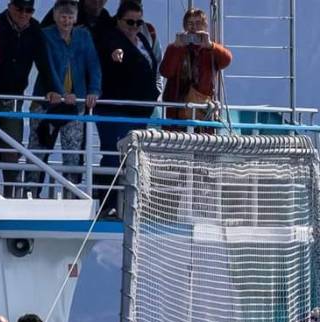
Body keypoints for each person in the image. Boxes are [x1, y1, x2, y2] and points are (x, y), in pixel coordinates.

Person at [95, 0, 161, 214]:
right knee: (114, 154)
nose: (134, 26)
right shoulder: (111, 37)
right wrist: (115, 54)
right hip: (116, 108)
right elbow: (110, 49)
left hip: (140, 112)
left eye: (138, 22)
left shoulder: (142, 38)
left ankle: (129, 204)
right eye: (129, 22)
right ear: (119, 20)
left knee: (133, 158)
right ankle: (106, 202)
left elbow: (153, 66)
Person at [29, 0, 100, 197]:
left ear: (76, 18)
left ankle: (71, 197)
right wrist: (59, 93)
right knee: (37, 152)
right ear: (55, 16)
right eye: (62, 16)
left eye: (70, 17)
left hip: (74, 107)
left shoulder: (83, 36)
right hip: (46, 104)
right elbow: (47, 66)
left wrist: (93, 90)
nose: (66, 21)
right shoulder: (46, 35)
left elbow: (93, 65)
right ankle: (29, 195)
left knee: (73, 156)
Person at [0, 0, 52, 196]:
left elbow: (44, 63)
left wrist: (53, 89)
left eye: (28, 10)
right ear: (10, 6)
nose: (23, 14)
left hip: (15, 98)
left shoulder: (35, 29)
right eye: (19, 9)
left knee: (12, 149)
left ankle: (11, 195)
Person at [160, 8, 232, 121]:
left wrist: (210, 46)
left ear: (205, 26)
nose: (194, 27)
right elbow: (166, 72)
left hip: (202, 109)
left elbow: (227, 60)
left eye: (198, 23)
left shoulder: (211, 49)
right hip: (177, 110)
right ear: (185, 26)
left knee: (203, 136)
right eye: (190, 23)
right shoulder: (175, 47)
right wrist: (176, 48)